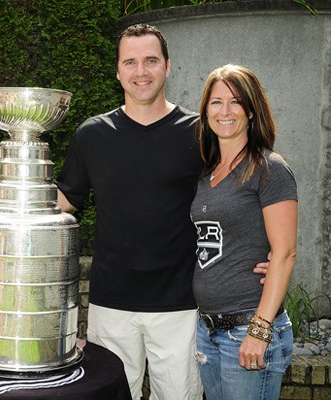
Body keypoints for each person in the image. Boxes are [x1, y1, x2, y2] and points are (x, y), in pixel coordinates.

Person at [56, 24, 270, 399]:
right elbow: (63, 201)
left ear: (168, 66)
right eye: (131, 62)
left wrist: (268, 251)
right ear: (118, 70)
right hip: (111, 304)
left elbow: (240, 192)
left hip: (181, 304)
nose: (142, 71)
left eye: (151, 61)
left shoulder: (200, 133)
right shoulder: (91, 135)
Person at [191, 64, 297, 399]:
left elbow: (284, 252)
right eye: (215, 102)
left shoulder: (269, 169)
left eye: (235, 102)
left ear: (251, 111)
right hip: (208, 330)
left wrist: (260, 329)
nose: (224, 111)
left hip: (248, 330)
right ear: (205, 110)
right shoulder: (208, 174)